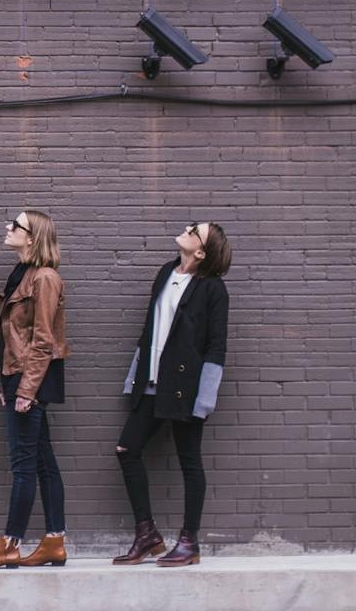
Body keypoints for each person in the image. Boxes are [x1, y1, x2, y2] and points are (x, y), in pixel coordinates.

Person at [112, 220, 231, 568]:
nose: (187, 228)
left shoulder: (213, 290)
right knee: (127, 449)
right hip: (151, 384)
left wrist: (204, 400)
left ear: (201, 251)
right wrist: (134, 377)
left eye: (194, 230)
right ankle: (147, 534)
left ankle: (189, 541)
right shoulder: (166, 272)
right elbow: (150, 329)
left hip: (186, 390)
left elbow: (216, 347)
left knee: (189, 461)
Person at [0, 208, 70, 570]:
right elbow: (13, 337)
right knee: (43, 463)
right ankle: (55, 541)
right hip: (20, 377)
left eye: (16, 225)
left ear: (32, 237)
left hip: (32, 379)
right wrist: (6, 381)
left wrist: (25, 389)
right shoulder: (23, 273)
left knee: (23, 465)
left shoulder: (44, 279)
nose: (7, 226)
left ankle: (10, 543)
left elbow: (43, 340)